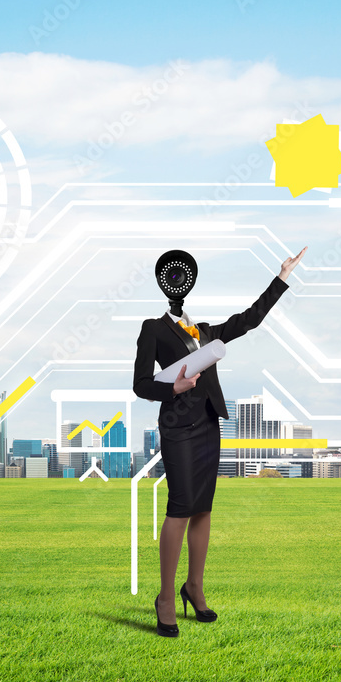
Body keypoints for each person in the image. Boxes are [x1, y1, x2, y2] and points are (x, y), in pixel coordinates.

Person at [132, 246, 307, 637]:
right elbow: (140, 384)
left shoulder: (207, 332)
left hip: (209, 425)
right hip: (178, 428)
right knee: (179, 508)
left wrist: (281, 278)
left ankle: (194, 586)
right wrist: (173, 387)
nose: (178, 283)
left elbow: (249, 320)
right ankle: (164, 598)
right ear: (166, 285)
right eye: (173, 278)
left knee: (203, 509)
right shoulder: (153, 328)